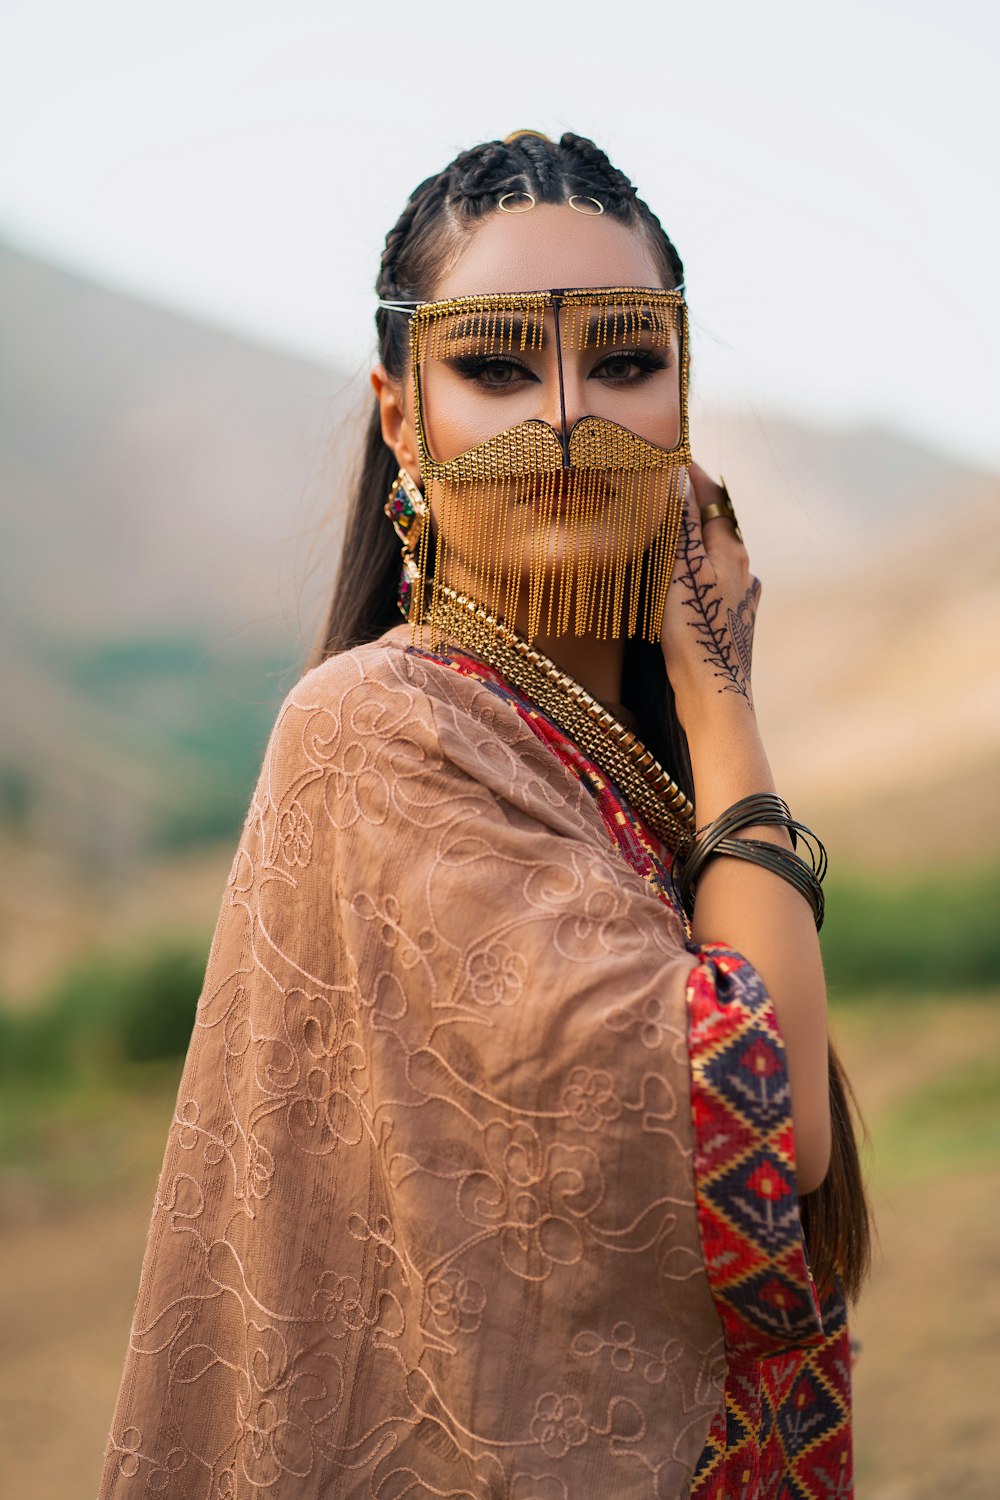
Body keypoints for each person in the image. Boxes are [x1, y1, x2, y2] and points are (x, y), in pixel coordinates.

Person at [100, 131, 871, 1500]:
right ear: (406, 419)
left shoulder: (626, 769)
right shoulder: (376, 732)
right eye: (500, 366)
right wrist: (726, 704)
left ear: (681, 407)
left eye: (627, 363)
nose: (566, 416)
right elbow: (765, 1120)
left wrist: (702, 712)